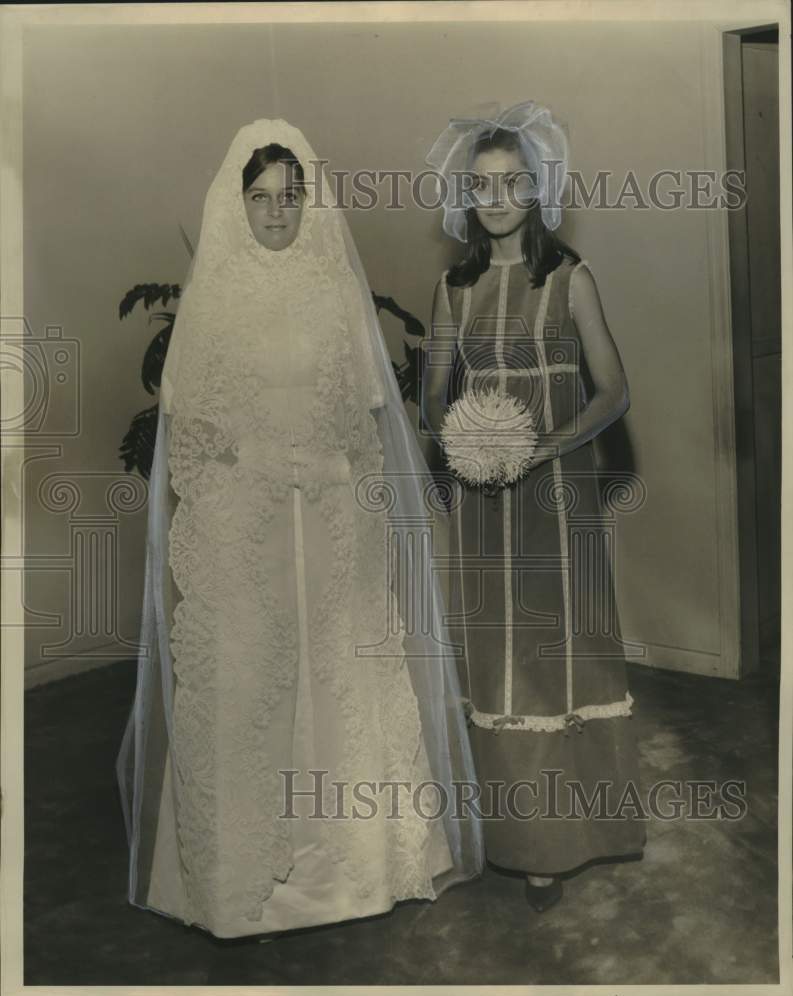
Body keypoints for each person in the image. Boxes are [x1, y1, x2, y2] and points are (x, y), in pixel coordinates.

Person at [116, 119, 483, 940]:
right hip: (247, 525)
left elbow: (360, 417)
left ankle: (357, 864)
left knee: (340, 669)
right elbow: (194, 429)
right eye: (259, 199)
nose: (275, 214)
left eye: (288, 198)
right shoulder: (213, 299)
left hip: (328, 519)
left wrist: (330, 472)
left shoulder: (331, 291)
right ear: (236, 206)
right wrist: (251, 469)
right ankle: (243, 873)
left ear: (305, 203)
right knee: (248, 676)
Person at [421, 101, 646, 912]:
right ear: (466, 196)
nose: (497, 196)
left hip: (557, 496)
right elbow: (431, 396)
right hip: (483, 500)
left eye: (512, 181)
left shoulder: (569, 277)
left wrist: (554, 441)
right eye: (481, 185)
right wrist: (459, 441)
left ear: (536, 186)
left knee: (560, 650)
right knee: (497, 657)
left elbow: (615, 389)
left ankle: (571, 834)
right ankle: (508, 835)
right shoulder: (454, 287)